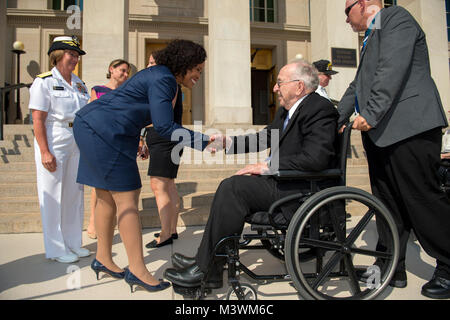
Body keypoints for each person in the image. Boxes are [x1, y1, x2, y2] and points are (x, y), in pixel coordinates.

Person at [163, 59, 339, 289]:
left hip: (301, 191)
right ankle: (207, 261)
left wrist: (267, 166)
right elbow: (264, 137)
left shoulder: (320, 109)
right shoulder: (289, 110)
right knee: (232, 185)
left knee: (233, 188)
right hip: (285, 183)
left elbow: (316, 159)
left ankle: (207, 269)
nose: (275, 88)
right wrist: (227, 142)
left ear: (299, 86)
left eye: (279, 83)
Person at [73, 39, 213, 293]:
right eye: (198, 70)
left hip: (96, 126)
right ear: (186, 64)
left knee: (106, 196)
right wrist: (204, 141)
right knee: (127, 197)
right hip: (104, 131)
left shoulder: (158, 75)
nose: (199, 76)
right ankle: (138, 270)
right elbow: (164, 126)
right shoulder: (164, 79)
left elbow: (132, 108)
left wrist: (139, 139)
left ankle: (103, 258)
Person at [338, 0, 450, 299]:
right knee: (387, 205)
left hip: (410, 128)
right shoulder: (371, 36)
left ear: (361, 4)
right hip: (382, 135)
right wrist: (333, 119)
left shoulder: (396, 17)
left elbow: (392, 69)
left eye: (346, 11)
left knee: (421, 199)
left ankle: (449, 265)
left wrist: (370, 114)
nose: (346, 20)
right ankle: (390, 267)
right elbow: (358, 84)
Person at [29, 36, 91, 263]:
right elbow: (37, 119)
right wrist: (45, 151)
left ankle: (73, 243)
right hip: (54, 138)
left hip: (76, 140)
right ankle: (56, 249)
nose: (75, 59)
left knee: (74, 194)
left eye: (76, 55)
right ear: (57, 55)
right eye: (71, 54)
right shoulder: (43, 81)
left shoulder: (79, 83)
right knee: (52, 194)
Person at [86, 59, 130, 239]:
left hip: (121, 141)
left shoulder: (128, 93)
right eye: (122, 70)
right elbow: (90, 114)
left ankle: (116, 220)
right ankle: (92, 222)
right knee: (99, 183)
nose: (126, 74)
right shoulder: (98, 90)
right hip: (101, 140)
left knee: (118, 183)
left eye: (128, 72)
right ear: (111, 69)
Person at [143, 53, 184, 249]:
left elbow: (162, 114)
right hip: (165, 138)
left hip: (165, 138)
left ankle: (166, 233)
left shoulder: (165, 83)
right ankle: (171, 229)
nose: (149, 65)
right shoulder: (169, 83)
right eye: (148, 62)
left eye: (153, 63)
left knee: (158, 186)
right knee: (168, 185)